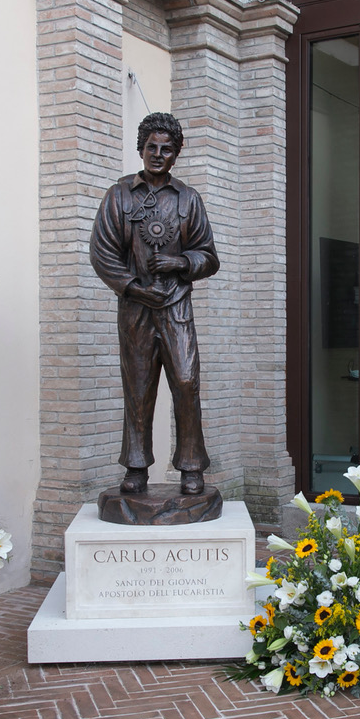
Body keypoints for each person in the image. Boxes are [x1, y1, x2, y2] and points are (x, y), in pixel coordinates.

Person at [91, 112, 220, 496]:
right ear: (141, 149)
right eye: (151, 147)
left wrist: (180, 262)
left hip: (176, 308)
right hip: (136, 309)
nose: (158, 154)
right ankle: (135, 466)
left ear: (176, 154)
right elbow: (102, 252)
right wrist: (133, 287)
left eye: (166, 149)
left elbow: (209, 256)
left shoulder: (188, 199)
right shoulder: (119, 196)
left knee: (186, 382)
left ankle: (191, 466)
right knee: (138, 387)